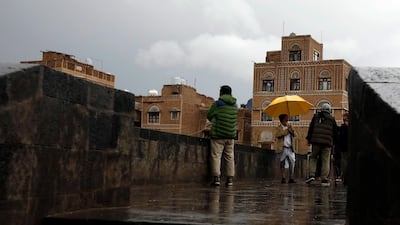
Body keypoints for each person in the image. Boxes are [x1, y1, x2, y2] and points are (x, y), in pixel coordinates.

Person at [207, 85, 238, 186]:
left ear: (221, 93)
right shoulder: (235, 105)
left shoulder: (218, 104)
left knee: (216, 156)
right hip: (230, 136)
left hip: (218, 135)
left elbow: (209, 115)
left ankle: (216, 178)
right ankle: (230, 179)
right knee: (230, 157)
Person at [305, 103, 338, 186]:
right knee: (326, 160)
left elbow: (311, 128)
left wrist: (309, 139)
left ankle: (312, 175)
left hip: (316, 141)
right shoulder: (332, 119)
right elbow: (335, 132)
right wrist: (334, 142)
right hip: (327, 143)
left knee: (313, 157)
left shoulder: (316, 116)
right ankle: (324, 178)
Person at [275, 114, 298, 184]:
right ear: (282, 120)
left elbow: (295, 135)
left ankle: (291, 177)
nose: (287, 120)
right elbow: (278, 135)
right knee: (282, 163)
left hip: (290, 148)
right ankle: (283, 177)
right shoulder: (278, 128)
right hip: (283, 148)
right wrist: (287, 131)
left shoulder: (290, 127)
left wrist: (291, 130)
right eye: (286, 119)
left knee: (292, 163)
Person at [333, 112, 349, 184]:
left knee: (344, 162)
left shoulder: (343, 127)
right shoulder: (352, 127)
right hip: (347, 148)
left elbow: (340, 138)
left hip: (343, 148)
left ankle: (344, 176)